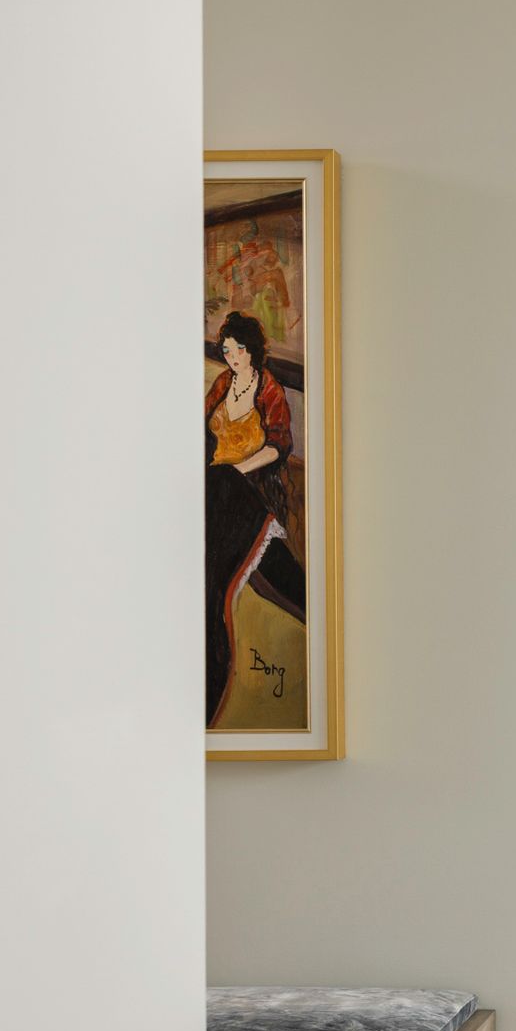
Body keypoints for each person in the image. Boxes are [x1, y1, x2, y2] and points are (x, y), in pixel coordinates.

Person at [205, 311, 305, 726]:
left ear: (252, 350)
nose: (231, 358)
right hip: (214, 485)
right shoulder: (222, 384)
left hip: (250, 487)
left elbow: (279, 446)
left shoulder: (269, 389)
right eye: (226, 351)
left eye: (237, 351)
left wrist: (235, 473)